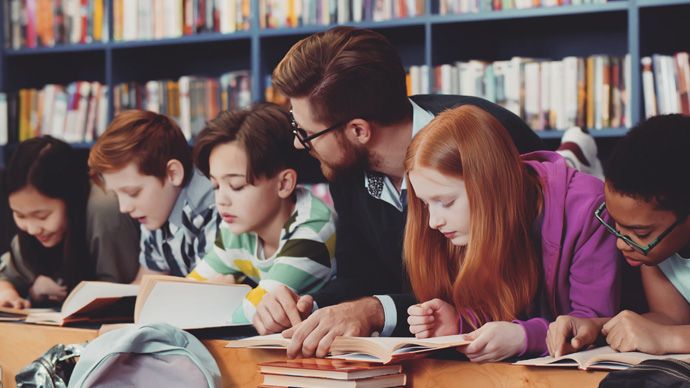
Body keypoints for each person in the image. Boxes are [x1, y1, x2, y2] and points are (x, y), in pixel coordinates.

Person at [255, 25, 547, 358]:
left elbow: (511, 295)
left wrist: (375, 311)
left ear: (359, 131)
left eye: (305, 133)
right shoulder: (346, 167)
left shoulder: (484, 140)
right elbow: (363, 277)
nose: (297, 142)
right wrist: (310, 306)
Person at [403, 105, 621, 361]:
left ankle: (575, 156)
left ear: (489, 185)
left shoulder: (590, 209)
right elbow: (505, 305)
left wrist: (523, 338)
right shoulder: (464, 225)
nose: (433, 222)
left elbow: (591, 326)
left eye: (447, 202)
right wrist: (459, 322)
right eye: (426, 204)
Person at [547, 114, 690, 358]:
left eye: (640, 233)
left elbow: (668, 331)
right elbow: (671, 316)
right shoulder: (654, 250)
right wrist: (596, 328)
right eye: (618, 225)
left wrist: (667, 338)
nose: (621, 243)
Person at [186, 103, 337, 325]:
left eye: (236, 186)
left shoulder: (313, 232)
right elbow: (178, 296)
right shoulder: (234, 226)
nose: (221, 200)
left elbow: (252, 316)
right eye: (216, 186)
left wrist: (217, 297)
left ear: (284, 183)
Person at [0, 136, 140, 308]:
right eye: (20, 216)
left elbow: (119, 292)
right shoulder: (34, 233)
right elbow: (6, 276)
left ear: (71, 198)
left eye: (42, 216)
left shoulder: (103, 207)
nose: (32, 229)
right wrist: (9, 293)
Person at [88, 110, 219, 282]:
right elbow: (146, 283)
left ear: (173, 173)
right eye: (116, 195)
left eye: (132, 193)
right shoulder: (157, 210)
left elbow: (210, 293)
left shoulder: (212, 207)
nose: (124, 208)